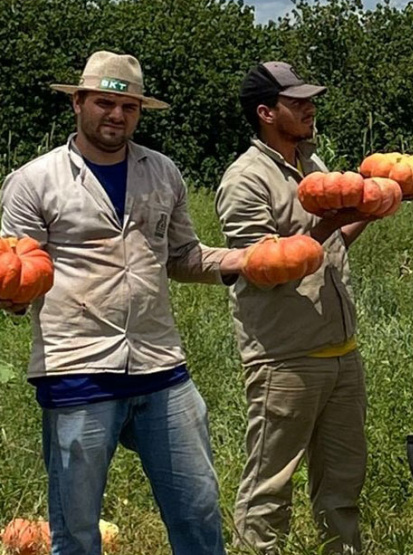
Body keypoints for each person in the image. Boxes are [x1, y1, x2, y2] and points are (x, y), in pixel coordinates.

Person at [0, 50, 250, 555]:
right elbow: (16, 267)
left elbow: (181, 256)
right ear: (78, 102)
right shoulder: (34, 181)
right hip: (77, 369)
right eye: (104, 102)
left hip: (161, 366)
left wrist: (247, 261)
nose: (116, 114)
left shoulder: (162, 173)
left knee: (199, 509)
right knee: (77, 529)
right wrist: (13, 298)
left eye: (129, 106)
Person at [214, 61, 374, 554]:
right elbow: (264, 266)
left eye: (310, 99)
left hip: (339, 350)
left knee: (343, 485)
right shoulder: (246, 179)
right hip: (285, 356)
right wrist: (325, 225)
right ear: (266, 112)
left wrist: (367, 211)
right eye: (296, 101)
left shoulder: (313, 165)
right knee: (270, 486)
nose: (310, 108)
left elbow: (332, 245)